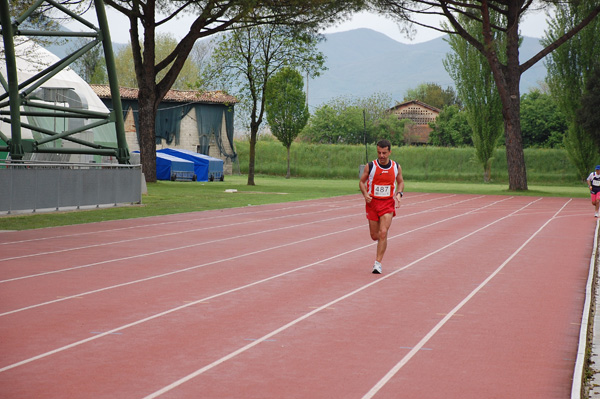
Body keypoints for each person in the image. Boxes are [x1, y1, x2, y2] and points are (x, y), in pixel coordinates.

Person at [359, 139, 404, 274]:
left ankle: (377, 263)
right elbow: (361, 182)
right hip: (372, 203)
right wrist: (365, 194)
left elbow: (400, 182)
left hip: (387, 204)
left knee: (383, 232)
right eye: (379, 152)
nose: (381, 156)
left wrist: (399, 194)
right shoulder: (370, 166)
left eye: (384, 153)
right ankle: (381, 242)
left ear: (389, 152)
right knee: (375, 236)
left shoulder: (396, 167)